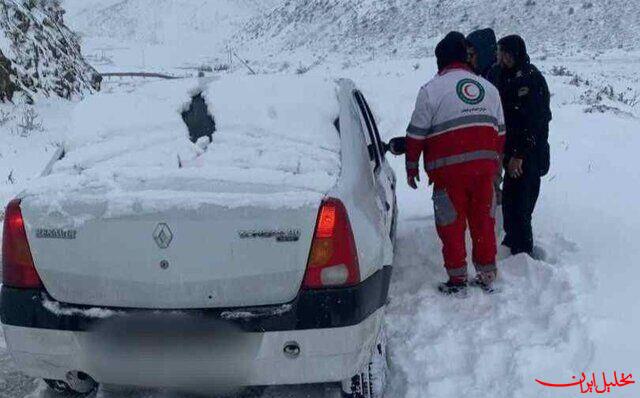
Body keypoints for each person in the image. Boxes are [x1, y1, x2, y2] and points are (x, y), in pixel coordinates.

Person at [405, 32, 506, 295]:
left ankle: (458, 279)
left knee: (451, 225)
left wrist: (412, 165)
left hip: (449, 174)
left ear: (440, 61)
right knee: (483, 222)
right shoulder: (489, 89)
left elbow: (416, 134)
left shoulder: (431, 91)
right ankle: (486, 273)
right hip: (484, 172)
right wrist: (494, 167)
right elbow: (501, 133)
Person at [494, 35, 552, 257]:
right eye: (501, 53)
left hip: (529, 154)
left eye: (507, 53)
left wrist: (520, 154)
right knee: (510, 201)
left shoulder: (532, 79)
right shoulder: (501, 75)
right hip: (510, 152)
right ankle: (512, 242)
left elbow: (536, 122)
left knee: (522, 205)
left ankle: (523, 252)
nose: (503, 58)